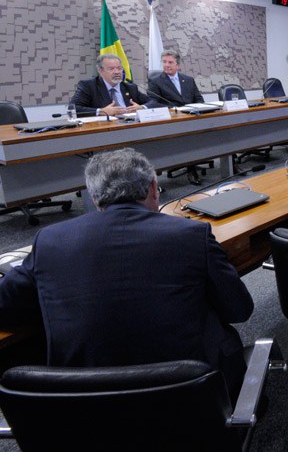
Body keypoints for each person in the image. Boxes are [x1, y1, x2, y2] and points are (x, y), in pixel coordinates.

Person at [0, 148, 254, 400]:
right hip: (190, 399)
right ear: (153, 188)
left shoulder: (51, 241)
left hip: (85, 405)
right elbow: (239, 310)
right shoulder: (192, 235)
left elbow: (5, 306)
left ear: (94, 198)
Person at [147, 49, 208, 184]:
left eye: (170, 62)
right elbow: (153, 102)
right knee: (188, 138)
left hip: (191, 118)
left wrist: (195, 109)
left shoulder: (188, 80)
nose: (166, 65)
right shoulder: (155, 81)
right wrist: (173, 110)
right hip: (171, 121)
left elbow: (199, 99)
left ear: (178, 65)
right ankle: (192, 169)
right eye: (164, 62)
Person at [71, 54, 152, 117]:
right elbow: (73, 108)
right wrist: (101, 111)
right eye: (111, 69)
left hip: (131, 125)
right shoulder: (89, 86)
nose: (117, 72)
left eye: (119, 68)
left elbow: (154, 102)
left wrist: (142, 107)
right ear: (100, 71)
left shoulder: (130, 87)